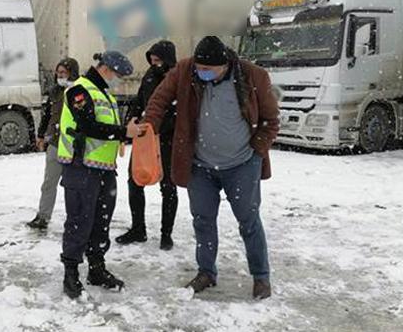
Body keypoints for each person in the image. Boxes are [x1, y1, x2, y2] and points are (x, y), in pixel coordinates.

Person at [144, 36, 279, 300]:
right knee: (203, 221)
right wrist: (149, 125)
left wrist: (256, 151)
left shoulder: (253, 76)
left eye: (208, 70)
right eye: (199, 68)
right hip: (200, 166)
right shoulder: (185, 70)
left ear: (225, 65)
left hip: (241, 164)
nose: (201, 73)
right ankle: (206, 271)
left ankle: (261, 276)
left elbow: (271, 120)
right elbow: (159, 100)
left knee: (248, 221)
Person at [57, 51, 143, 299]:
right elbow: (88, 126)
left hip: (105, 169)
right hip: (81, 167)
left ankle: (96, 268)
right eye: (118, 75)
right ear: (106, 69)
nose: (119, 81)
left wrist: (129, 133)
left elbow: (109, 131)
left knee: (100, 222)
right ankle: (70, 274)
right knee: (79, 222)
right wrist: (122, 131)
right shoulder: (79, 91)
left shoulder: (106, 95)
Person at [116, 40, 179, 250]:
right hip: (145, 137)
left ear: (168, 60)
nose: (154, 64)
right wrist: (130, 124)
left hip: (167, 139)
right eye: (152, 61)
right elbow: (139, 102)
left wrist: (161, 126)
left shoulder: (177, 78)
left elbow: (178, 111)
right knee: (135, 180)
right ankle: (138, 228)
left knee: (168, 186)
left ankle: (166, 234)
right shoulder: (150, 75)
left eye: (158, 61)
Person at [26, 58, 80, 230]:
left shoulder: (80, 91)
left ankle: (76, 218)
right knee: (49, 182)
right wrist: (41, 135)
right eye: (58, 73)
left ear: (72, 73)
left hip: (74, 145)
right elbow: (47, 115)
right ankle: (43, 216)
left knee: (73, 186)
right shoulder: (55, 92)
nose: (60, 76)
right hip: (56, 143)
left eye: (63, 73)